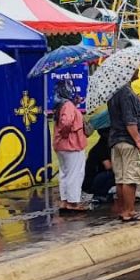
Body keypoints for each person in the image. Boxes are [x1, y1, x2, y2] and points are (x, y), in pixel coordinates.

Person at [108, 71, 140, 222]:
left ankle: (123, 210)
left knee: (121, 178)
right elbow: (130, 121)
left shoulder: (114, 92)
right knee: (130, 178)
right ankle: (129, 211)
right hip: (129, 142)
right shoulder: (126, 93)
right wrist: (138, 141)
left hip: (116, 140)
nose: (138, 70)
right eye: (135, 68)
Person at [52, 80, 89, 214]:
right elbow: (66, 122)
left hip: (61, 145)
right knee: (75, 174)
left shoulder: (60, 104)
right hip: (71, 144)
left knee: (65, 174)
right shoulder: (67, 105)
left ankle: (65, 201)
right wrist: (66, 133)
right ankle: (73, 203)